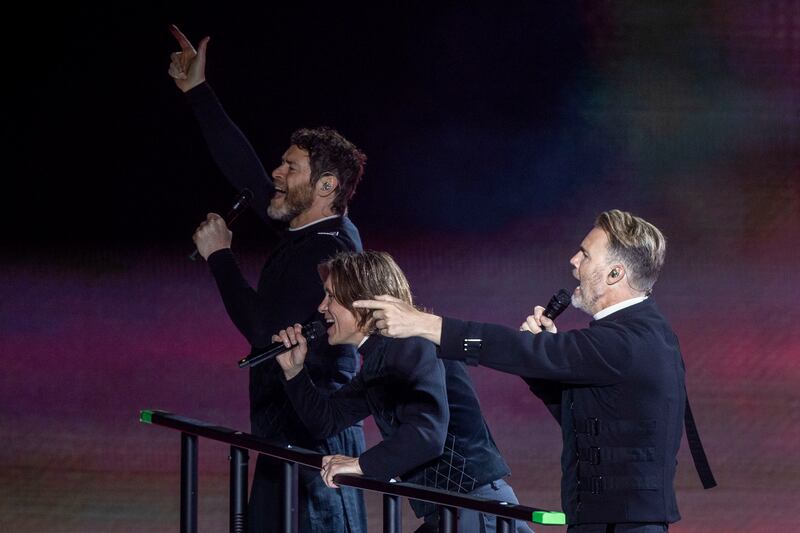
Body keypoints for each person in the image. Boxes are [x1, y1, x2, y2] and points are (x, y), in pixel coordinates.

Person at [355, 210, 715, 532]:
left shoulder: (631, 339)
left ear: (615, 273)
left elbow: (517, 348)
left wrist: (426, 325)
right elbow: (591, 419)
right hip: (605, 519)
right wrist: (544, 363)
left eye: (586, 255)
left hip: (625, 524)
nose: (574, 261)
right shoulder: (634, 333)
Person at [168, 25, 367, 533]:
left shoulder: (329, 251)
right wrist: (198, 92)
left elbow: (264, 331)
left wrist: (220, 258)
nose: (277, 174)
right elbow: (250, 177)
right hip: (289, 439)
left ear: (326, 186)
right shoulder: (312, 232)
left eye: (290, 167)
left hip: (314, 453)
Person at [273, 251, 533, 533]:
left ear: (364, 302)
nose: (322, 307)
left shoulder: (412, 344)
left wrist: (361, 464)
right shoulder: (380, 359)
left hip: (475, 508)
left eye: (331, 296)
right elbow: (326, 420)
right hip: (453, 510)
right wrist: (294, 371)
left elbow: (427, 433)